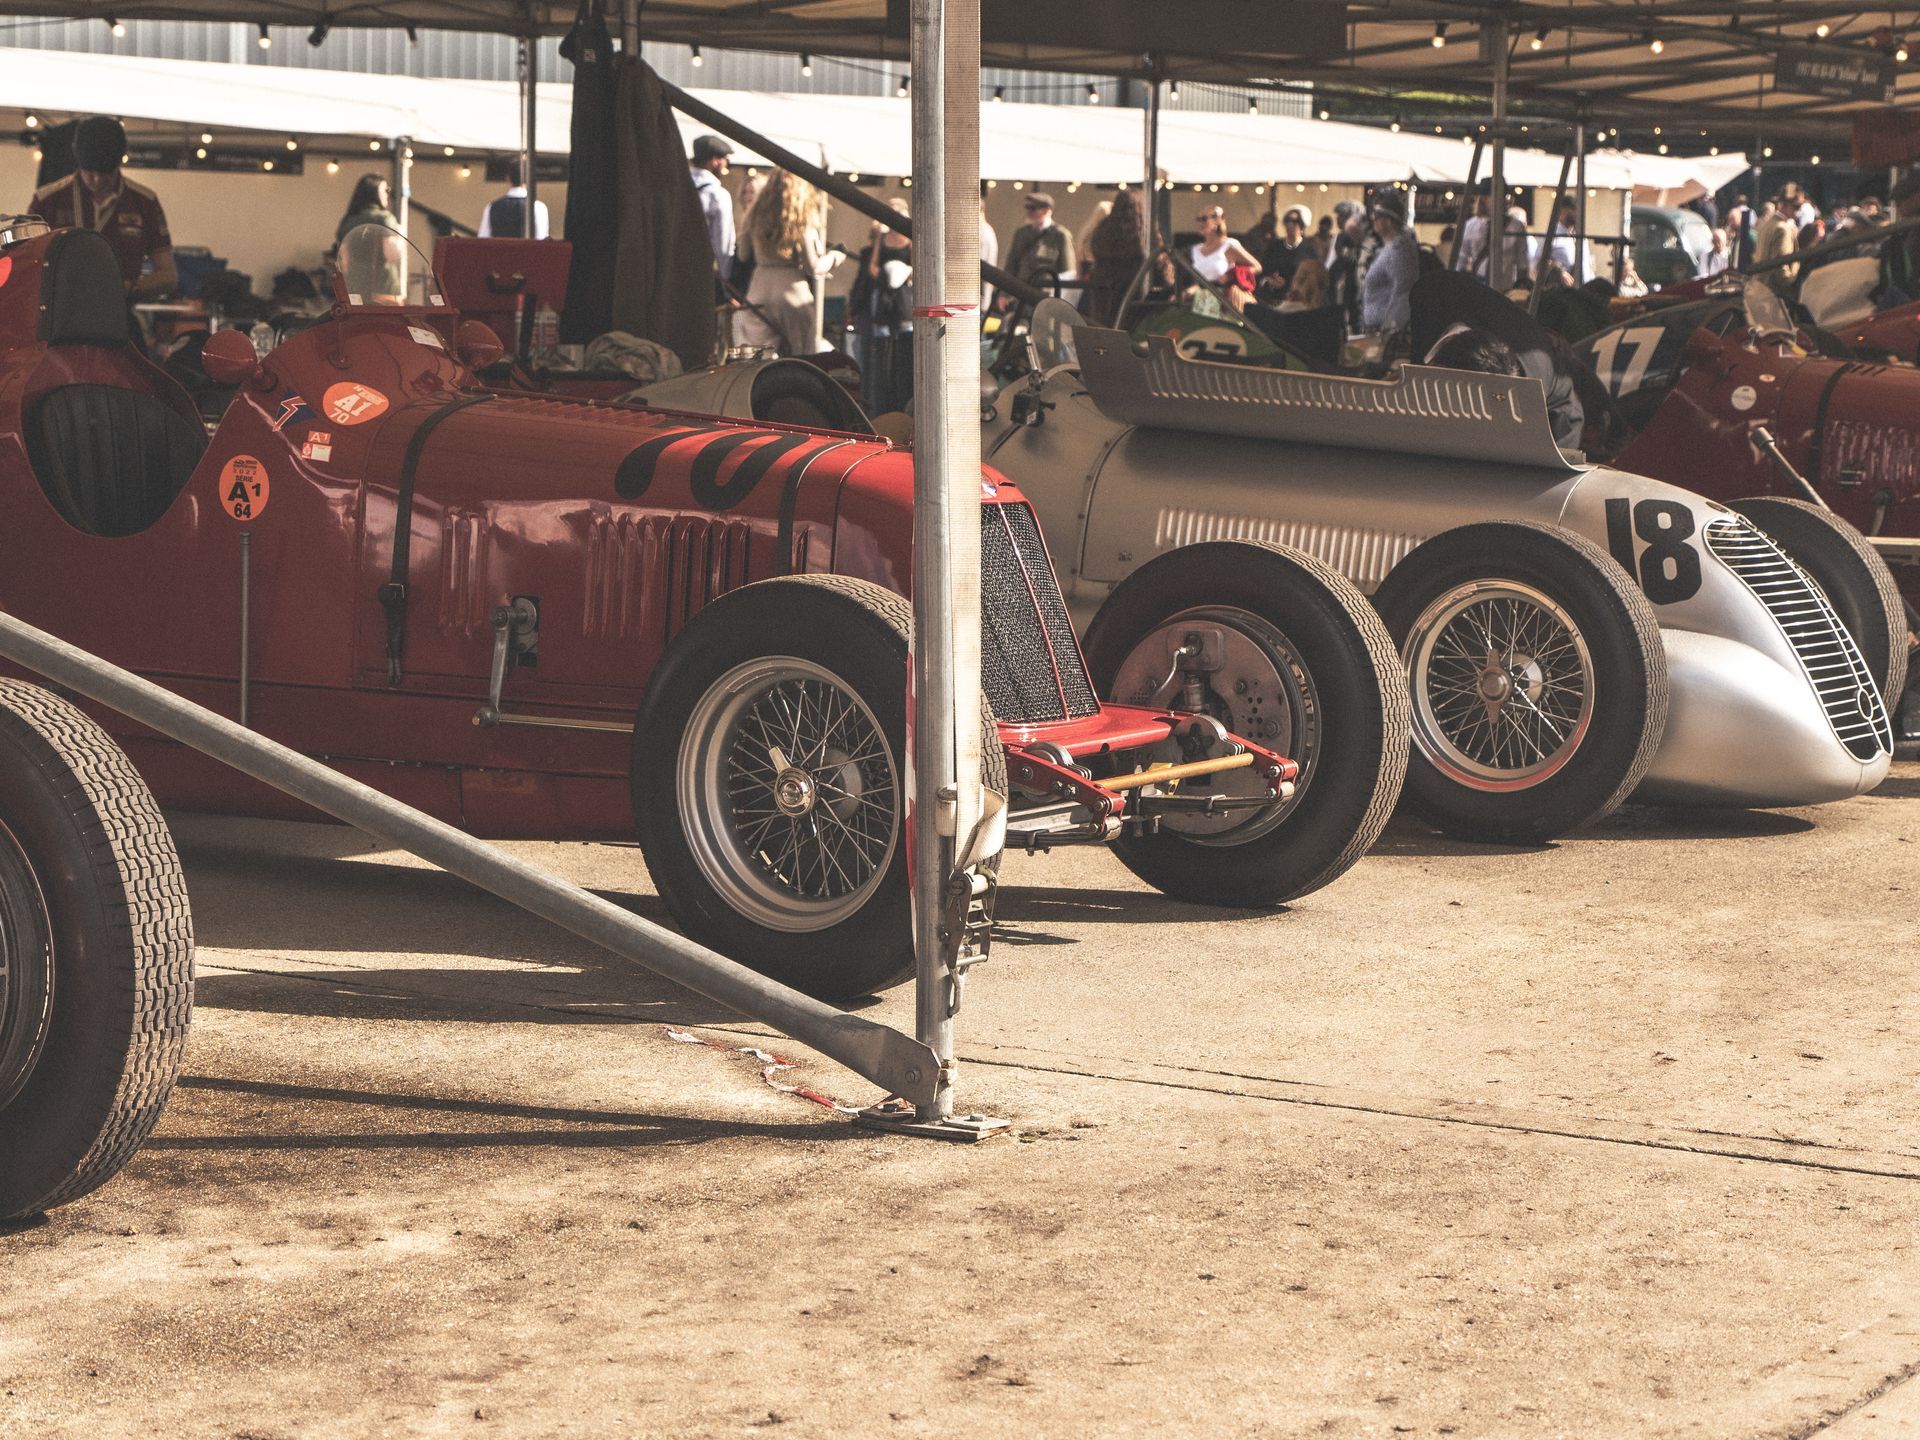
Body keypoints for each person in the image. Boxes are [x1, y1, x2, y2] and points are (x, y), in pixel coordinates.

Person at [29, 115, 175, 298]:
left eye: (106, 173)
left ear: (120, 162)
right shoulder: (48, 200)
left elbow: (168, 275)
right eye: (90, 172)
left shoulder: (143, 201)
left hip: (118, 310)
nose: (97, 180)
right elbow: (29, 265)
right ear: (77, 160)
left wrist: (130, 288)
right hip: (59, 313)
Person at [732, 169, 842, 356]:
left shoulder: (755, 215)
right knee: (802, 358)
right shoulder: (800, 220)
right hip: (791, 292)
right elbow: (813, 266)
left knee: (758, 360)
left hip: (758, 291)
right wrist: (835, 257)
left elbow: (742, 255)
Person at [846, 197, 913, 415]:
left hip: (903, 300)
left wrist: (903, 272)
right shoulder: (882, 239)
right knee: (879, 352)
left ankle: (900, 403)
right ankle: (879, 406)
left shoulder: (912, 239)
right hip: (881, 300)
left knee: (903, 352)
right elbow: (872, 268)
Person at [333, 173, 405, 300]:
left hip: (355, 285)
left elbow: (343, 261)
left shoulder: (349, 219)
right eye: (385, 190)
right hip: (383, 285)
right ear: (375, 192)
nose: (388, 194)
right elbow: (392, 255)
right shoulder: (384, 218)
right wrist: (400, 236)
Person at [1081, 188, 1144, 327]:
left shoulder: (1103, 227)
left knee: (1104, 330)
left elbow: (1092, 249)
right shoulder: (1143, 230)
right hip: (1132, 289)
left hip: (1103, 288)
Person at [1360, 190, 1419, 335]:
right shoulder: (1390, 247)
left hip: (1386, 331)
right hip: (1378, 328)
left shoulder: (1399, 249)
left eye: (1377, 215)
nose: (1373, 218)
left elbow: (1402, 292)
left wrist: (1390, 328)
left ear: (1389, 219)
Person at [1186, 205, 1260, 312]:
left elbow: (1256, 266)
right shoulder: (1195, 250)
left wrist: (1232, 275)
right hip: (1201, 302)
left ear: (1217, 220)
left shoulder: (1229, 245)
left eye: (1204, 219)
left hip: (1224, 302)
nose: (1200, 223)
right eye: (1198, 219)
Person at [1003, 191, 1076, 292]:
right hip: (1021, 293)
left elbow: (1067, 270)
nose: (1029, 213)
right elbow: (1011, 264)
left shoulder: (1060, 235)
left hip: (1045, 294)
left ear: (1047, 211)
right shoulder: (1021, 233)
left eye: (1033, 209)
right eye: (1027, 208)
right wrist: (1004, 293)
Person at [688, 134, 736, 278]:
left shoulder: (675, 188)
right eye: (725, 159)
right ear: (715, 161)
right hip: (700, 273)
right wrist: (724, 279)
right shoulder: (718, 195)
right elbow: (723, 245)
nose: (726, 164)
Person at [476, 159, 550, 239]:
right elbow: (540, 239)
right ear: (529, 179)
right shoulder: (538, 207)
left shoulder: (491, 207)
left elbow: (483, 237)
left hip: (500, 251)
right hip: (527, 250)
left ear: (507, 179)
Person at [1258, 205, 1315, 296]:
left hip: (1298, 298)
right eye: (1287, 220)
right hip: (1273, 296)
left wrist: (1287, 284)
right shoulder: (1275, 246)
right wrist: (1269, 280)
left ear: (1302, 226)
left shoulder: (1309, 249)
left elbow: (1312, 278)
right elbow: (1263, 270)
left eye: (1295, 221)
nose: (1290, 224)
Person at [1755, 194, 1799, 290]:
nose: (1798, 211)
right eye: (1796, 207)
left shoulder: (1768, 224)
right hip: (1775, 291)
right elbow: (1781, 266)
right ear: (1784, 205)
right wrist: (1793, 284)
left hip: (1761, 286)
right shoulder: (1783, 229)